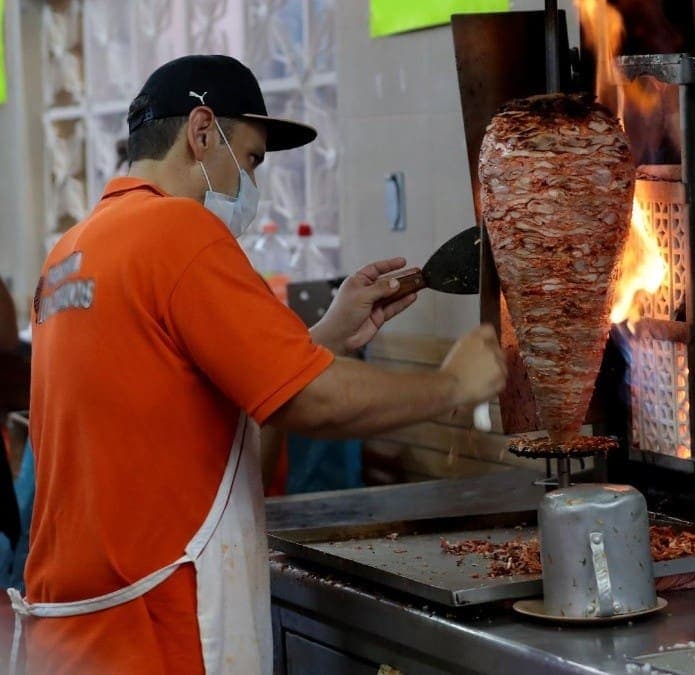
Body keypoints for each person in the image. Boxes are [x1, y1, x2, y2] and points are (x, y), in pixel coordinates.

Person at [10, 55, 506, 674]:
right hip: (159, 633)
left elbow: (187, 393)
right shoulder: (178, 231)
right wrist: (454, 383)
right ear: (200, 132)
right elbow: (308, 402)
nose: (252, 181)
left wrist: (328, 334)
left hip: (74, 638)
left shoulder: (73, 251)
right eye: (250, 158)